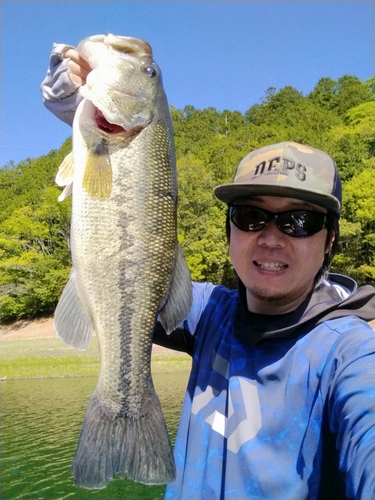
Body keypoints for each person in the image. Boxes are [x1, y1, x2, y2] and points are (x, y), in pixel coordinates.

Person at [41, 44, 375, 500]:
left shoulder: (351, 354)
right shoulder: (211, 314)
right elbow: (132, 274)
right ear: (231, 228)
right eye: (250, 216)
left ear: (330, 240)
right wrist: (86, 127)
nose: (271, 237)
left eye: (300, 220)